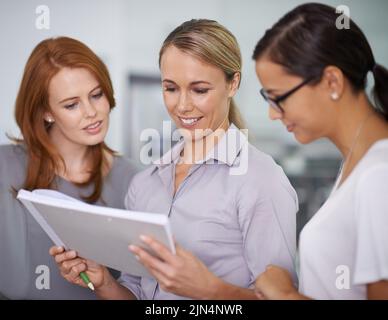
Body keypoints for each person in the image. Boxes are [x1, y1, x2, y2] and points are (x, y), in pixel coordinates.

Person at [50, 19, 298, 300]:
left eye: (199, 90)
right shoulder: (145, 183)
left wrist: (211, 290)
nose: (182, 105)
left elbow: (281, 298)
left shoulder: (260, 179)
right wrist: (105, 282)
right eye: (170, 88)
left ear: (233, 84)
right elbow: (139, 294)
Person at [253, 3, 388, 300]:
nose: (273, 115)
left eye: (278, 98)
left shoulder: (379, 174)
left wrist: (287, 295)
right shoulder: (357, 164)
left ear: (332, 81)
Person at [0, 37, 138, 299]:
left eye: (97, 95)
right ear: (46, 111)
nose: (91, 112)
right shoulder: (3, 166)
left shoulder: (136, 181)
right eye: (71, 104)